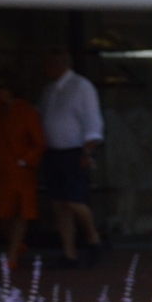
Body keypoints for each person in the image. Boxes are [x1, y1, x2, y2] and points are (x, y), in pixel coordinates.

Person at [36, 49, 103, 264]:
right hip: (53, 152)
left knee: (75, 201)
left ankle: (93, 238)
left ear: (59, 64)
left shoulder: (81, 86)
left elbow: (93, 121)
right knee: (58, 204)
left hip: (74, 151)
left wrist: (88, 151)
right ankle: (69, 252)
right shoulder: (50, 89)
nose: (44, 69)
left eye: (48, 64)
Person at [0, 73, 43, 264]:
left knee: (20, 211)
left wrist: (25, 161)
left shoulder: (26, 112)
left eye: (3, 88)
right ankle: (15, 244)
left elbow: (38, 143)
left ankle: (11, 256)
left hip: (19, 171)